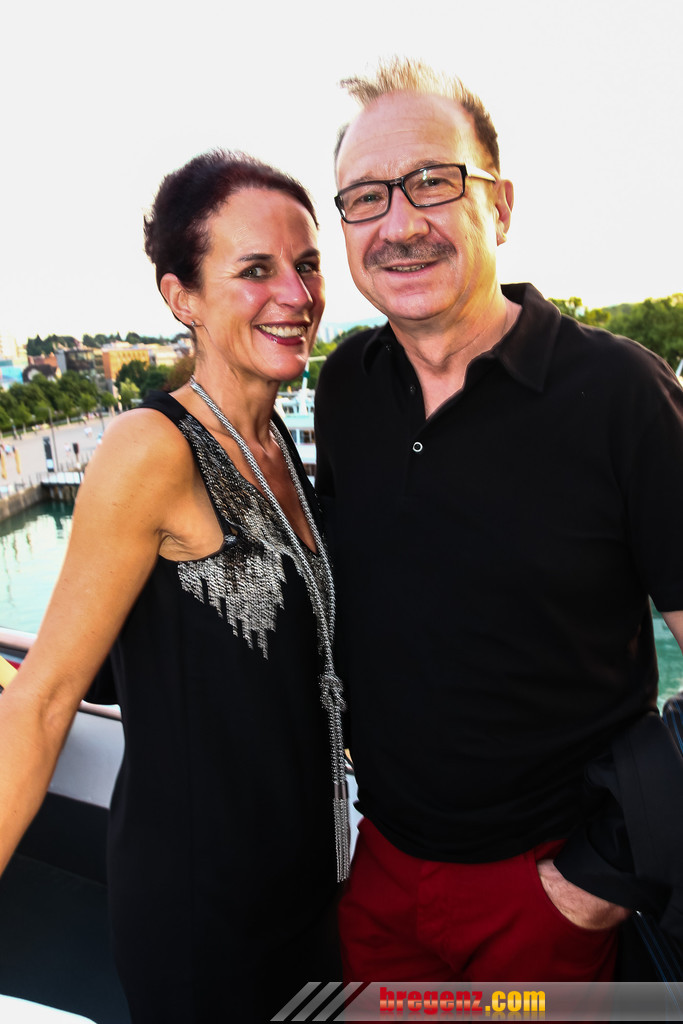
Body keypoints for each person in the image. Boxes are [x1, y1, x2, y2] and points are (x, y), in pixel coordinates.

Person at [314, 57, 683, 983]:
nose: (399, 223)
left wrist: (601, 874)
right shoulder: (346, 387)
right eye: (365, 197)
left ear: (501, 206)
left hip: (548, 896)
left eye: (433, 182)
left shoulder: (621, 395)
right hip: (380, 875)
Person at [0, 149, 348, 1021]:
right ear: (180, 296)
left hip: (306, 891)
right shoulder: (152, 449)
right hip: (205, 919)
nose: (296, 294)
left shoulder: (275, 443)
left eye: (307, 264)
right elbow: (43, 700)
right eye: (255, 270)